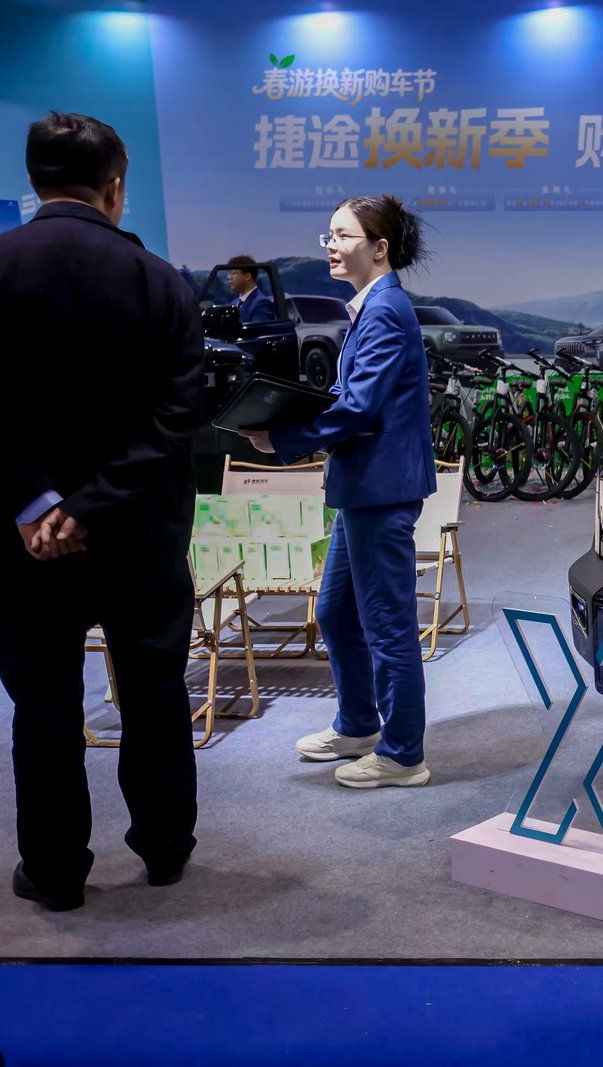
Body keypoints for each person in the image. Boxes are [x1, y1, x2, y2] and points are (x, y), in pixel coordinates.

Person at [0, 112, 205, 911]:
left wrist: (38, 503)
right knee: (154, 689)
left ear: (33, 182)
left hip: (25, 540)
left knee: (43, 703)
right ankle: (166, 848)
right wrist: (93, 505)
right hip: (139, 531)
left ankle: (55, 870)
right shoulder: (162, 281)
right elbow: (176, 422)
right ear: (115, 189)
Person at [238, 195, 436, 788]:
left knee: (388, 624)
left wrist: (282, 437)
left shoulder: (384, 310)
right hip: (363, 486)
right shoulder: (372, 306)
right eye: (328, 234)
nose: (330, 245)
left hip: (381, 489)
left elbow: (359, 408)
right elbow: (356, 400)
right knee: (336, 611)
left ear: (379, 248)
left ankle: (403, 755)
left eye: (343, 235)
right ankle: (357, 724)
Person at [226, 254, 277, 325]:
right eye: (229, 273)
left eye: (233, 273)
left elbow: (257, 330)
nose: (229, 277)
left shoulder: (262, 303)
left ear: (248, 276)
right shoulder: (234, 303)